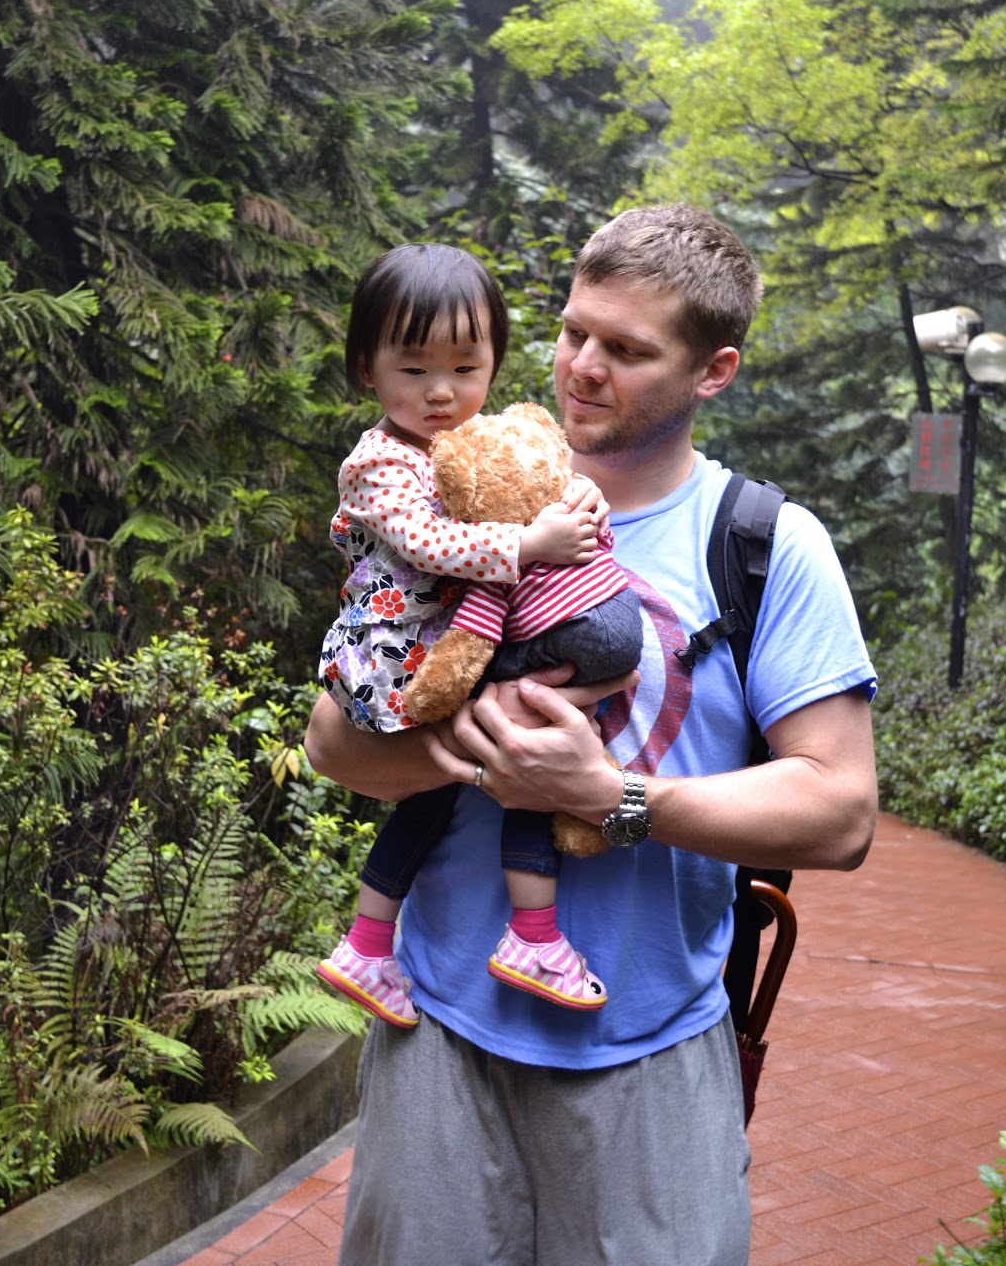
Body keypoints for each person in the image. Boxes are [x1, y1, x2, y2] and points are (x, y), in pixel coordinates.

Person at [305, 205, 878, 1266]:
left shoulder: (763, 545)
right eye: (573, 331)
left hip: (650, 1052)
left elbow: (839, 812)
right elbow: (332, 744)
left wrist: (606, 795)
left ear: (712, 371)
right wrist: (475, 751)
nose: (580, 366)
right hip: (435, 1035)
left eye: (626, 349)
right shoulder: (451, 496)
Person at [315, 242, 637, 1032]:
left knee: (444, 799)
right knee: (526, 755)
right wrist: (529, 545)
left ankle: (367, 946)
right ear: (365, 368)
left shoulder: (473, 437)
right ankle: (533, 936)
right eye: (413, 368)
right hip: (402, 657)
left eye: (465, 367)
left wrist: (583, 503)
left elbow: (533, 479)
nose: (440, 391)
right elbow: (428, 543)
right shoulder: (379, 463)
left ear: (493, 361)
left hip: (456, 646)